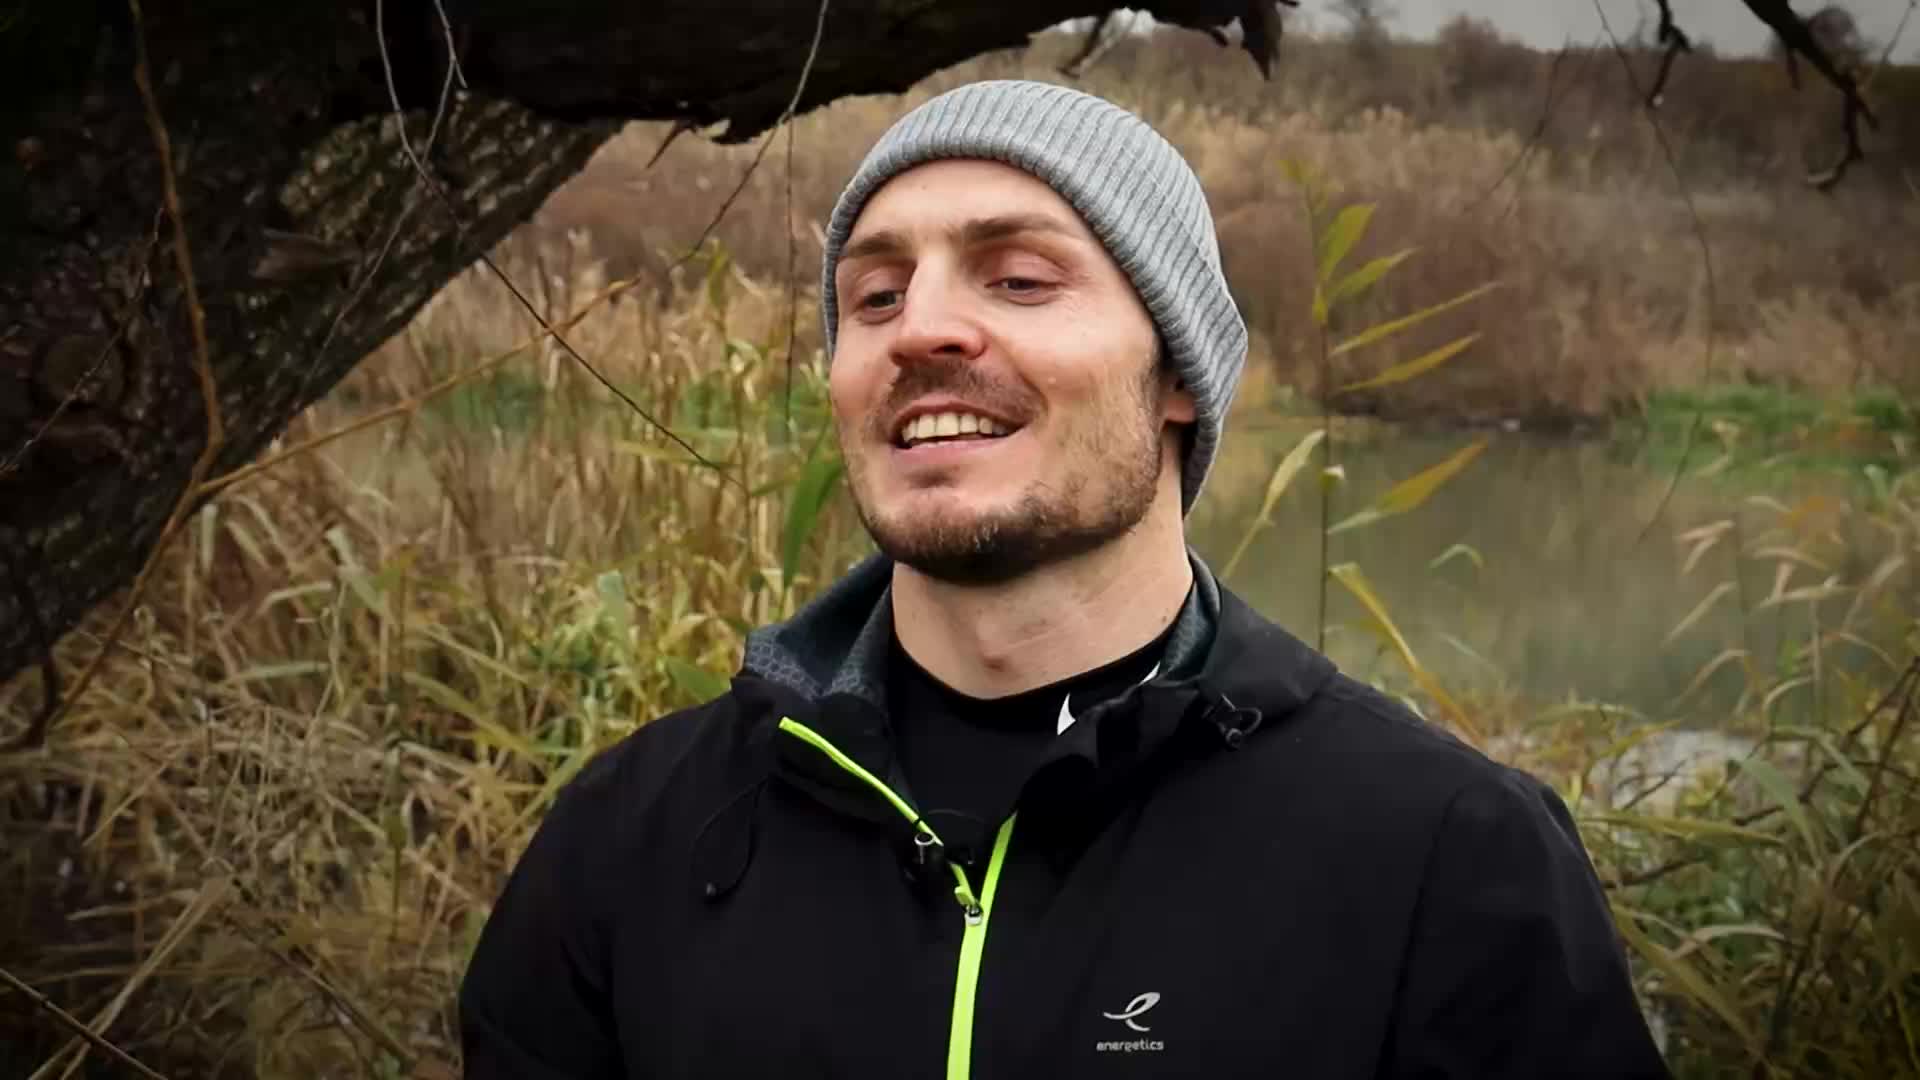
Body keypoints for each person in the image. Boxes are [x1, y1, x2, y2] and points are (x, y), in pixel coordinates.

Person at [457, 79, 1672, 1079]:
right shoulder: (633, 836)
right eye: (874, 296)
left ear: (1178, 375)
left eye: (1020, 279)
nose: (919, 328)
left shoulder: (1448, 858)